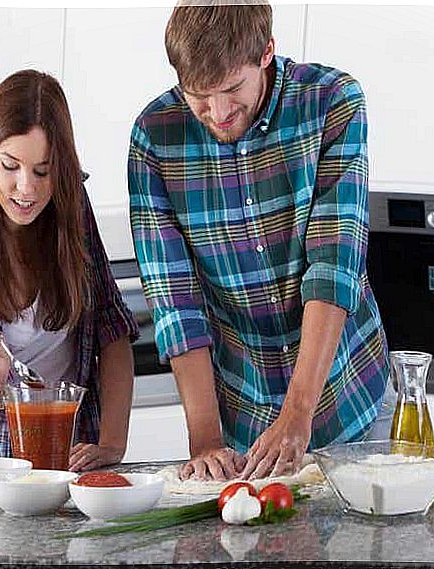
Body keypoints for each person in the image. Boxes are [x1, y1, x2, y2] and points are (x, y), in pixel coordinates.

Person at [128, 1, 389, 481]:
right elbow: (174, 300)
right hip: (239, 419)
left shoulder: (332, 101)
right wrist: (205, 440)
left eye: (232, 89)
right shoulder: (154, 137)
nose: (219, 113)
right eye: (199, 96)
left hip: (348, 401)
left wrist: (297, 416)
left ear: (267, 52)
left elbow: (334, 266)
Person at [0, 69, 138, 471]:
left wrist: (112, 444)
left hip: (68, 447)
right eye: (10, 166)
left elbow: (113, 330)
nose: (27, 188)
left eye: (43, 171)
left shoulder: (71, 211)